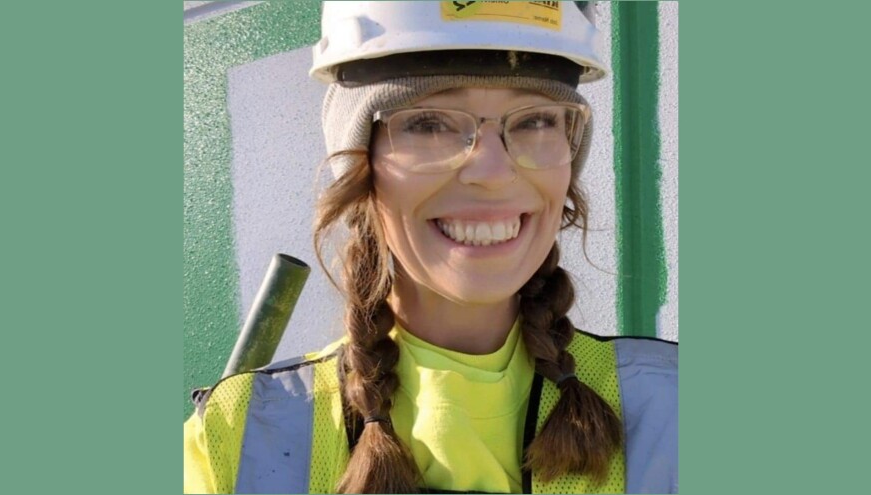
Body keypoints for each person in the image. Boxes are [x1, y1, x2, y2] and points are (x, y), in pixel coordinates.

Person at [184, 2, 677, 493]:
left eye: (536, 121)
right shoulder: (235, 442)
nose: (494, 172)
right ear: (360, 166)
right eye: (429, 123)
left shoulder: (673, 413)